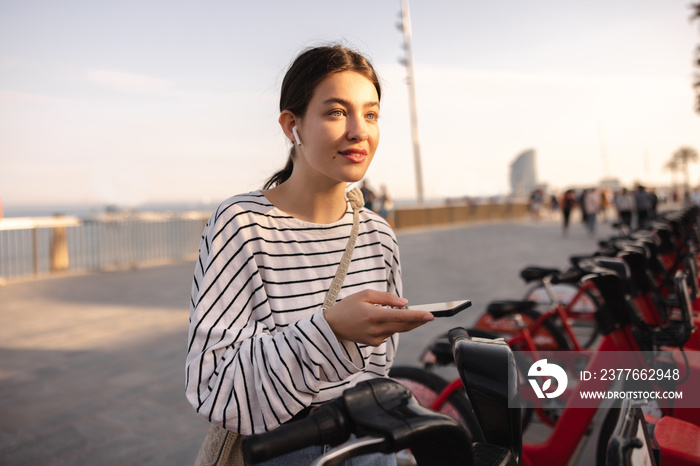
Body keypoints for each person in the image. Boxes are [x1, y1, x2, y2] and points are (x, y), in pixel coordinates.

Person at [186, 44, 434, 465]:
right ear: (292, 125)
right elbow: (216, 387)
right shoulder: (242, 224)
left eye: (370, 114)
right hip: (283, 449)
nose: (359, 130)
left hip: (370, 444)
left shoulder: (378, 234)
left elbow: (378, 368)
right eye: (336, 112)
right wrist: (331, 329)